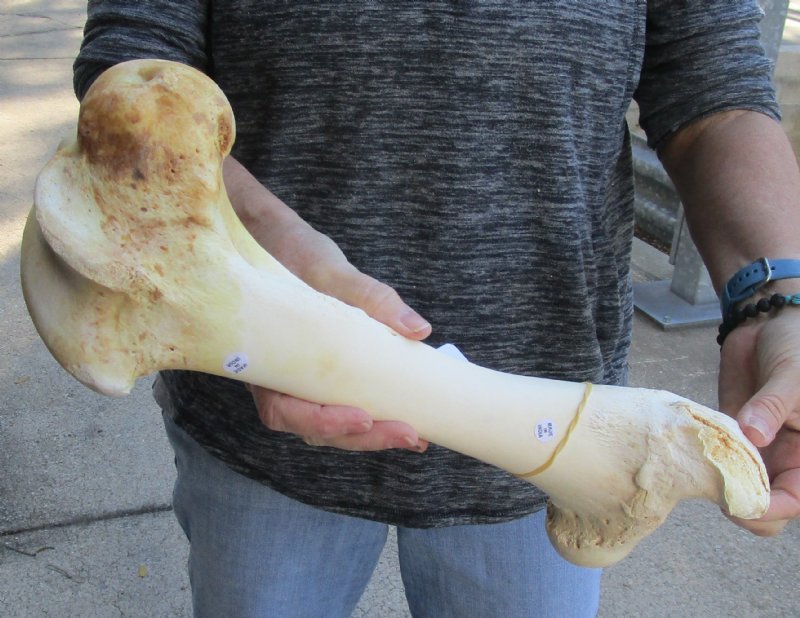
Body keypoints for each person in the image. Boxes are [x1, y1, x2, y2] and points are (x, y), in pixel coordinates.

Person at [73, 2, 800, 616]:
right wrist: (258, 257)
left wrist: (777, 301)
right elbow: (134, 65)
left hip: (563, 438)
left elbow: (715, 91)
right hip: (258, 407)